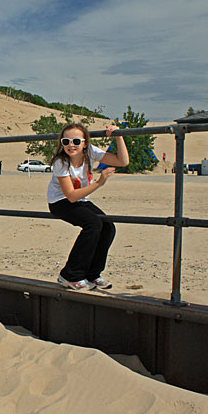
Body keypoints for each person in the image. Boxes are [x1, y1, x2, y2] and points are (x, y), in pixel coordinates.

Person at [47, 123, 129, 290]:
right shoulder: (60, 162)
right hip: (60, 202)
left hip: (81, 200)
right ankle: (70, 275)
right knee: (93, 224)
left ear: (84, 143)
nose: (71, 145)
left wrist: (118, 136)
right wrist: (99, 183)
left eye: (76, 141)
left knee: (108, 226)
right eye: (66, 141)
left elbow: (123, 161)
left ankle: (93, 274)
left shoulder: (90, 152)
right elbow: (70, 196)